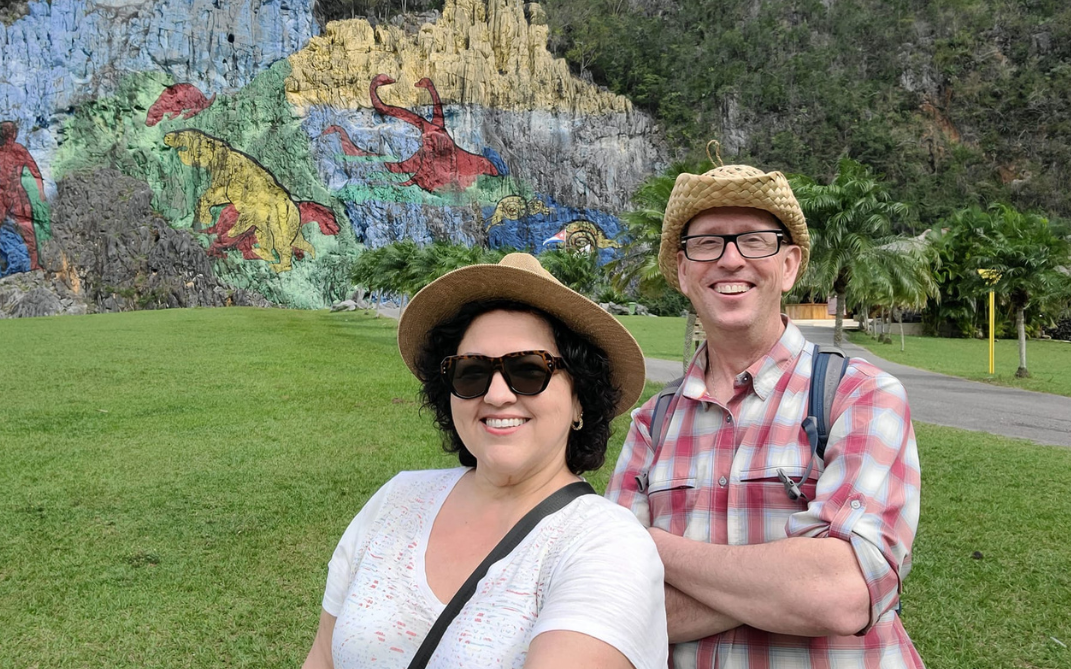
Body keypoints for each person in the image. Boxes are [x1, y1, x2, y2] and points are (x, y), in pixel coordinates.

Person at [606, 162, 924, 668]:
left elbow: (842, 593)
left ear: (790, 265)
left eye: (755, 241)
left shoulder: (858, 396)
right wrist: (785, 590)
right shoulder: (653, 422)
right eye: (708, 243)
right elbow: (612, 603)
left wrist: (650, 545)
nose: (731, 261)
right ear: (684, 273)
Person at [303, 252, 668, 669]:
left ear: (579, 399)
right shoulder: (397, 498)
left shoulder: (606, 545)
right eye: (472, 372)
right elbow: (323, 656)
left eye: (529, 370)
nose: (496, 395)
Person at [0, 121, 47, 270]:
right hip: (3, 195)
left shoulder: (19, 150)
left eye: (8, 131)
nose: (7, 134)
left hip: (16, 194)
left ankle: (34, 262)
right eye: (4, 131)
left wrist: (41, 192)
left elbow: (35, 172)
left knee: (27, 228)